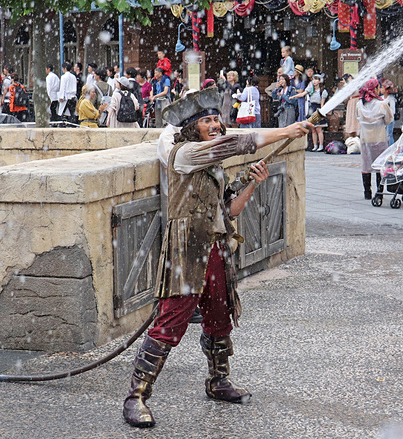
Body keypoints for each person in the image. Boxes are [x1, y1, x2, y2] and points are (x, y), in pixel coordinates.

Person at [122, 87, 313, 428]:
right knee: (169, 323)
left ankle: (217, 381)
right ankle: (136, 396)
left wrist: (252, 185)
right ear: (191, 128)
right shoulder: (186, 153)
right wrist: (288, 129)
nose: (213, 124)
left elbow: (228, 210)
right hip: (186, 251)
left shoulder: (213, 165)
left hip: (214, 249)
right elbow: (235, 144)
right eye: (206, 120)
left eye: (215, 119)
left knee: (220, 317)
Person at [357, 79, 393, 199]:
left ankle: (367, 192)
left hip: (365, 139)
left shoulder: (359, 104)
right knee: (379, 166)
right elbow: (389, 119)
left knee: (366, 165)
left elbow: (358, 118)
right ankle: (379, 193)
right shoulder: (382, 104)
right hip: (379, 138)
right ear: (375, 89)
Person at [308, 74, 328, 152]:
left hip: (318, 108)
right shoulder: (311, 90)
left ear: (320, 81)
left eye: (316, 79)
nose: (314, 81)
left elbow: (322, 103)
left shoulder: (323, 91)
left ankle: (321, 145)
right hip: (311, 108)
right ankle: (315, 145)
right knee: (313, 129)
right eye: (313, 79)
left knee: (319, 129)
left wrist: (322, 113)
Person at [381, 79, 397, 145]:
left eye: (382, 88)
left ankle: (390, 147)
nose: (381, 89)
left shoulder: (391, 99)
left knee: (389, 134)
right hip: (382, 119)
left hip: (390, 119)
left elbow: (393, 111)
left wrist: (387, 114)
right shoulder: (381, 98)